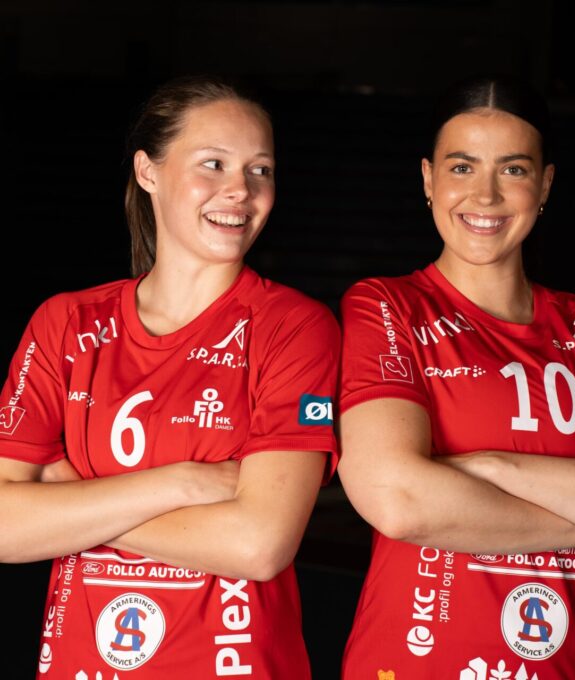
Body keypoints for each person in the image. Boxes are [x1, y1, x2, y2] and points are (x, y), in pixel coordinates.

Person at [337, 74, 575, 679]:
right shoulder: (387, 307)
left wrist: (492, 468)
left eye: (514, 169)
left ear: (544, 184)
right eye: (462, 167)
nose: (486, 195)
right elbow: (398, 499)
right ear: (428, 179)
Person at [0, 75, 339, 679]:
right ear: (147, 171)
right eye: (214, 163)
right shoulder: (67, 322)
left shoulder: (296, 327)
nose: (241, 190)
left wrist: (72, 505)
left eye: (260, 170)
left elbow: (258, 545)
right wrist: (184, 482)